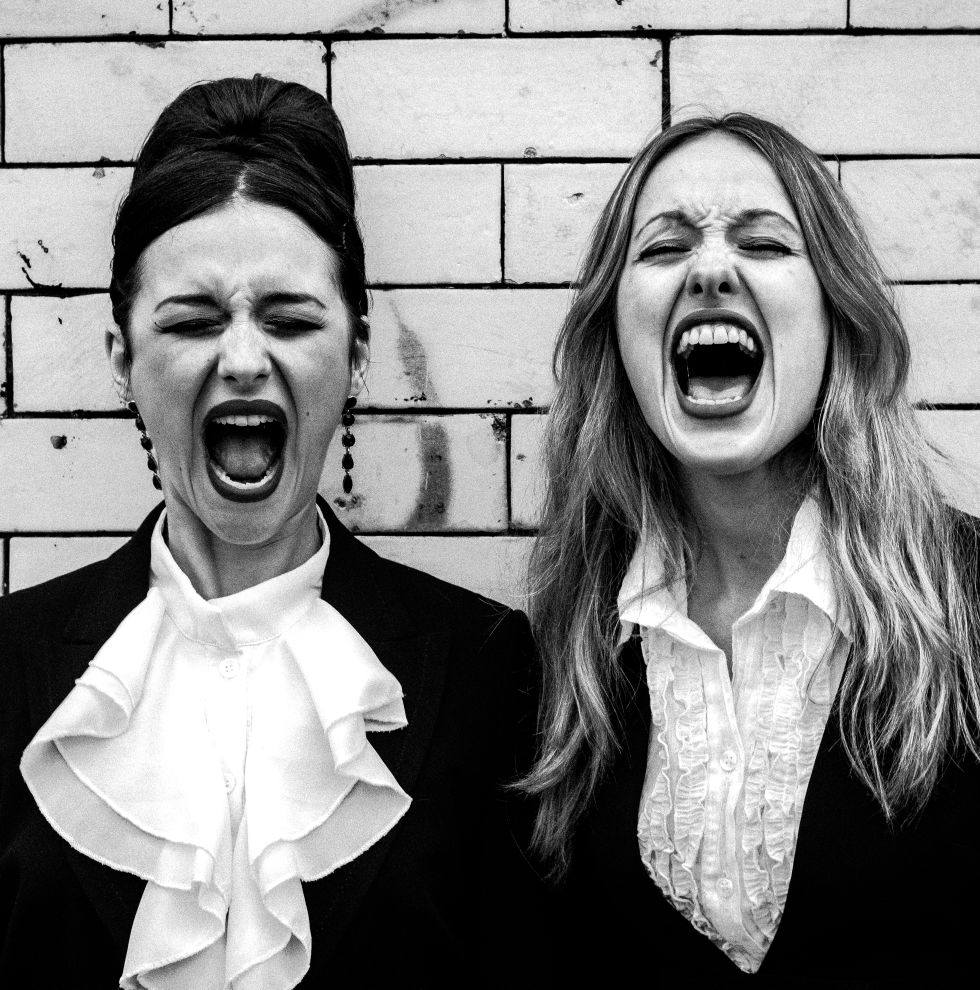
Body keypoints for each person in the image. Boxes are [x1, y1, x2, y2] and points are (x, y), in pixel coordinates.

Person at [0, 76, 542, 989]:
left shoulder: (488, 669)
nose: (244, 359)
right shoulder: (7, 665)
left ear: (357, 355)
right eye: (194, 321)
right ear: (122, 358)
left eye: (288, 319)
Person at [521, 113, 980, 985]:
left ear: (837, 312)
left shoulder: (969, 604)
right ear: (615, 333)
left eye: (765, 243)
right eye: (664, 249)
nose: (710, 269)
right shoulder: (564, 651)